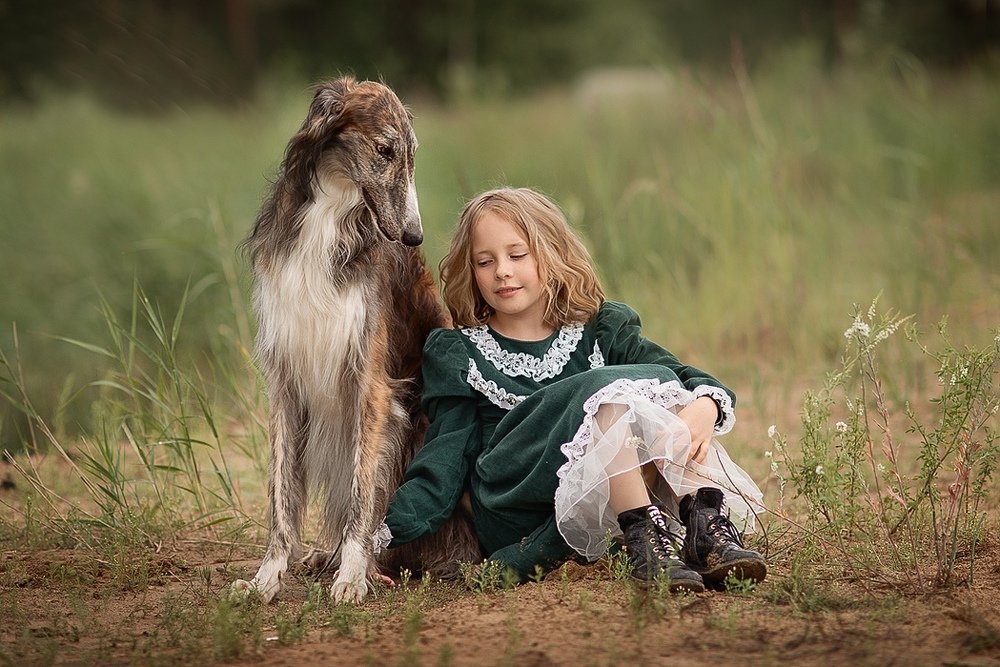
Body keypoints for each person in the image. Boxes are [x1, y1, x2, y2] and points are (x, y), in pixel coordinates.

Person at [376, 187, 766, 593]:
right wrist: (373, 540)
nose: (502, 271)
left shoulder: (602, 329)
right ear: (470, 270)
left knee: (659, 397)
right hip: (516, 504)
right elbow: (442, 464)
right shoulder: (460, 352)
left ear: (551, 253)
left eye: (517, 255)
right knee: (614, 396)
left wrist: (704, 404)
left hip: (602, 497)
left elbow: (678, 376)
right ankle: (647, 546)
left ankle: (705, 529)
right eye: (485, 262)